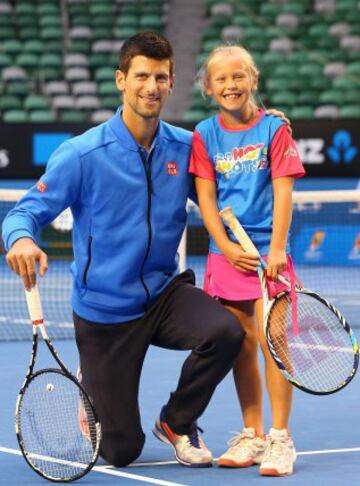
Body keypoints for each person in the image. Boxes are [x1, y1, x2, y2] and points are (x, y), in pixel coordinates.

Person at [2, 32, 245, 469]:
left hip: (163, 293)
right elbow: (25, 212)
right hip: (105, 312)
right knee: (120, 452)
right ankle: (91, 385)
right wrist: (20, 238)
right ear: (121, 80)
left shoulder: (186, 147)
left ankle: (177, 421)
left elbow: (238, 166)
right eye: (142, 76)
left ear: (172, 83)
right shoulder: (82, 153)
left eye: (161, 77)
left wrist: (263, 121)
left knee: (225, 331)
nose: (151, 86)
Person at [189, 44, 305, 477]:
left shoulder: (274, 130)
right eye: (221, 79)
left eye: (238, 76)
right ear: (209, 87)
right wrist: (223, 246)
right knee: (241, 347)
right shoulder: (204, 134)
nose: (230, 85)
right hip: (227, 257)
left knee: (276, 345)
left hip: (269, 255)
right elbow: (206, 197)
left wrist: (277, 247)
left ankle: (280, 438)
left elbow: (283, 191)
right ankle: (252, 433)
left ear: (252, 79)